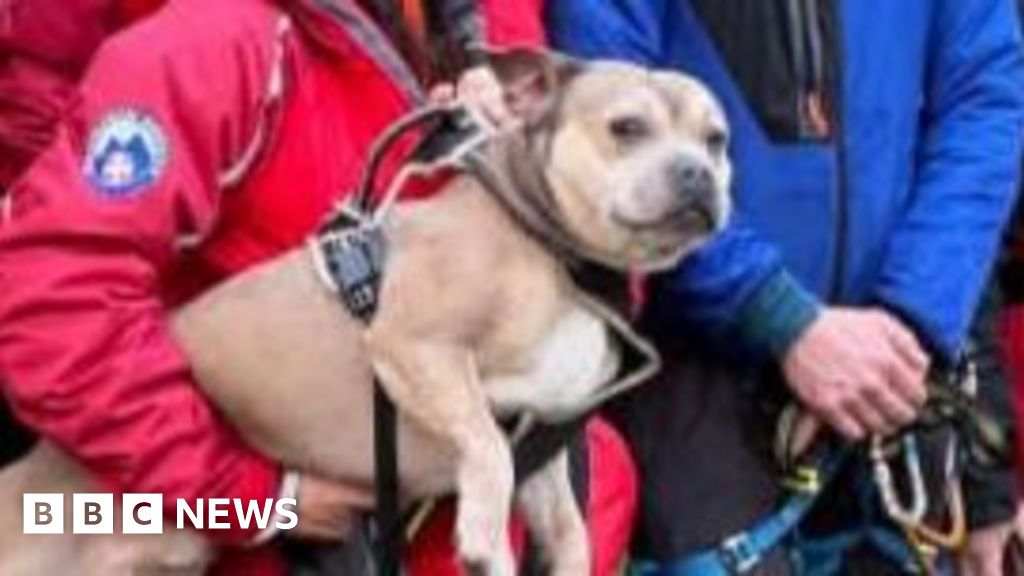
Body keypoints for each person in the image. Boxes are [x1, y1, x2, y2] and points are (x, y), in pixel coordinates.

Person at [0, 1, 638, 575]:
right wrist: (253, 503)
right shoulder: (212, 47)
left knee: (597, 469)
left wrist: (524, 164)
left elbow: (619, 270)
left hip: (404, 496)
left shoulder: (466, 55)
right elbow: (53, 310)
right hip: (185, 511)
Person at [544, 1, 1024, 574]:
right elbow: (597, 133)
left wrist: (911, 319)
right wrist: (780, 314)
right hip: (686, 371)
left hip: (897, 379)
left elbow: (984, 103)